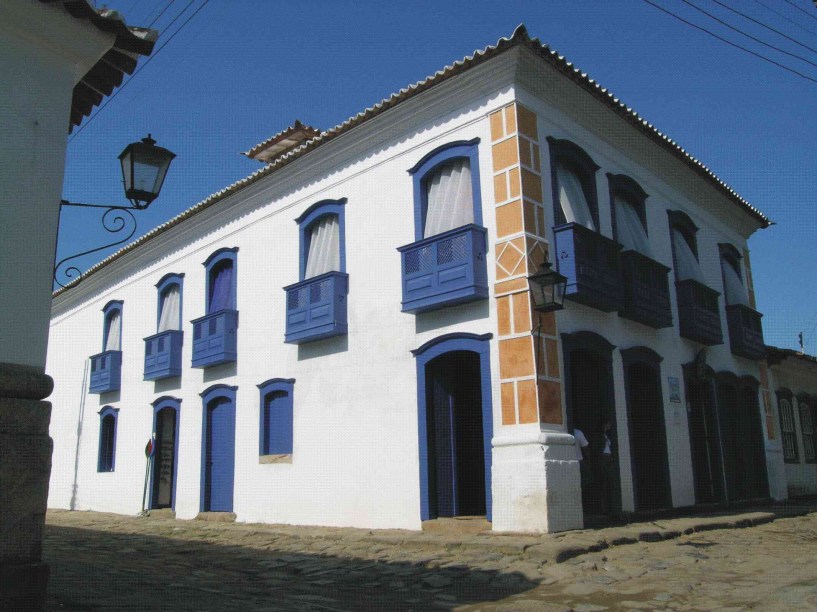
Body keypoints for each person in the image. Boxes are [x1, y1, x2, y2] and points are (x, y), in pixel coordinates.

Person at [599, 419, 615, 515]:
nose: (610, 426)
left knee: (610, 483)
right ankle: (604, 509)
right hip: (603, 459)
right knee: (604, 483)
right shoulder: (600, 436)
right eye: (608, 424)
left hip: (608, 459)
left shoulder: (606, 436)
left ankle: (610, 507)